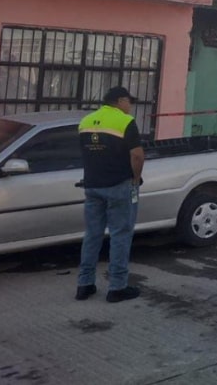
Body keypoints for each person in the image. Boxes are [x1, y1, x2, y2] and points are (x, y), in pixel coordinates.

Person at [75, 86, 144, 304]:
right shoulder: (125, 122)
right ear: (120, 100)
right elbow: (137, 155)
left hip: (92, 186)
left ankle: (84, 285)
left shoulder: (85, 122)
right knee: (121, 235)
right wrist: (135, 178)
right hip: (119, 185)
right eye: (129, 102)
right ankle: (117, 287)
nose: (130, 106)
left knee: (92, 235)